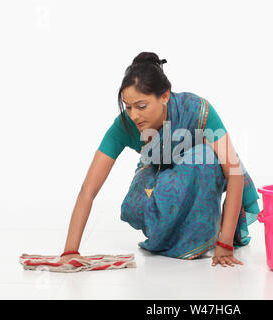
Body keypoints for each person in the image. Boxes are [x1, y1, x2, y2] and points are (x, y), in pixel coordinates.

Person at [59, 52, 260, 267]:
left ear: (164, 96)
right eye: (128, 106)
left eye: (141, 106)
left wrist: (225, 244)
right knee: (135, 207)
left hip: (202, 175)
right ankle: (172, 236)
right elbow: (88, 190)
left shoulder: (197, 109)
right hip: (161, 175)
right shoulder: (125, 125)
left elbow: (235, 174)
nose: (134, 115)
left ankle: (207, 232)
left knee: (204, 156)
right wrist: (70, 250)